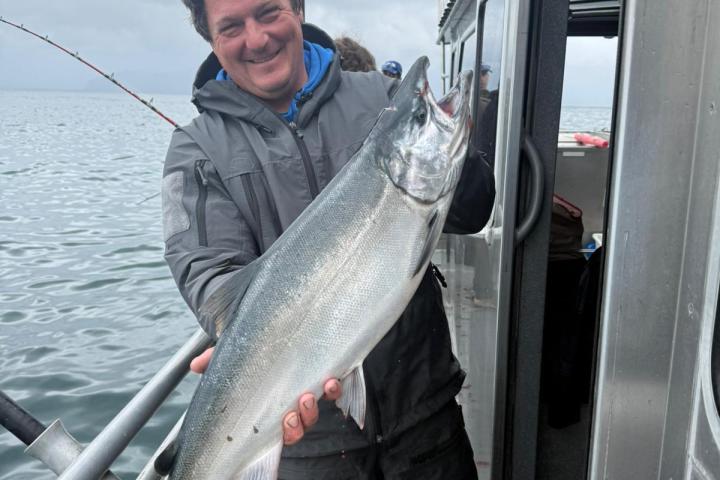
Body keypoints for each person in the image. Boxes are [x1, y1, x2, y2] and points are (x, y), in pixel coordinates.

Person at [163, 0, 495, 478]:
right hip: (301, 441)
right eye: (232, 26)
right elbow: (210, 274)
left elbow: (473, 210)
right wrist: (243, 345)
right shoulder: (196, 148)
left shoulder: (383, 96)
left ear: (297, 9)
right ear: (211, 40)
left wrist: (452, 153)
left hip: (425, 417)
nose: (256, 39)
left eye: (268, 12)